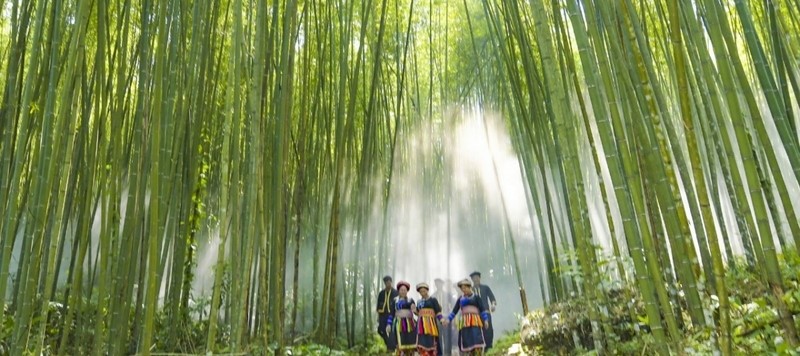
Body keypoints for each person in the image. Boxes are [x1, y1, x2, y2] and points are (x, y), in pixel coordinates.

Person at [443, 278, 489, 355]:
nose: (463, 290)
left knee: (476, 338)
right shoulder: (460, 299)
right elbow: (454, 311)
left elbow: (482, 309)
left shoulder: (476, 297)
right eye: (462, 288)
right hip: (465, 323)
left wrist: (486, 320)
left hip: (475, 321)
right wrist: (448, 320)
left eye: (465, 288)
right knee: (467, 340)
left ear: (469, 287)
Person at [387, 281, 416, 355]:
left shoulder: (411, 300)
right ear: (398, 291)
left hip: (410, 324)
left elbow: (415, 310)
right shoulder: (395, 300)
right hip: (398, 324)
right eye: (401, 290)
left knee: (410, 344)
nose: (403, 291)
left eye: (405, 290)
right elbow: (391, 313)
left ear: (407, 291)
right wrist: (389, 324)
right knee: (399, 343)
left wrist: (415, 309)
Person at [415, 282, 444, 356]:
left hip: (431, 324)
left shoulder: (433, 300)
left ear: (427, 291)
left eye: (424, 291)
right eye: (421, 292)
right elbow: (418, 313)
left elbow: (438, 311)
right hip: (421, 325)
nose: (422, 293)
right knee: (422, 341)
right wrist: (414, 311)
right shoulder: (419, 302)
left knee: (432, 340)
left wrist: (441, 319)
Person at [470, 271, 496, 350]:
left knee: (488, 330)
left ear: (480, 278)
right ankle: (478, 349)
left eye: (477, 278)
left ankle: (489, 347)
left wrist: (493, 305)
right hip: (475, 314)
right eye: (474, 278)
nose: (476, 280)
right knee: (476, 332)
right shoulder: (470, 290)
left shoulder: (485, 288)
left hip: (486, 312)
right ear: (472, 280)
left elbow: (492, 298)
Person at [376, 275, 398, 351]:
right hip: (382, 315)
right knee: (381, 330)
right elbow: (379, 305)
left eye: (389, 282)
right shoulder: (381, 293)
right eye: (386, 282)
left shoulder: (396, 292)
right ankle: (387, 344)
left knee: (391, 330)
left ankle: (392, 347)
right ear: (385, 283)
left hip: (392, 315)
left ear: (391, 282)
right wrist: (378, 317)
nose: (388, 284)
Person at [432, 278, 454, 355]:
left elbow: (453, 306)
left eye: (440, 283)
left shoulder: (448, 295)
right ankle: (439, 353)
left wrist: (451, 317)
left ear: (442, 284)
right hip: (437, 319)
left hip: (447, 317)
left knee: (447, 337)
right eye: (437, 284)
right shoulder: (433, 296)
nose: (438, 285)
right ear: (435, 285)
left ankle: (448, 353)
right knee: (438, 337)